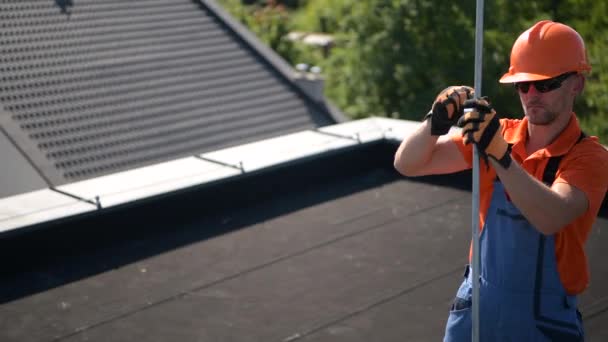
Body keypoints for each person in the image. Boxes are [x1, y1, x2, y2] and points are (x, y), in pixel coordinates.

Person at [393, 20, 608, 341]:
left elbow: (552, 215)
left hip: (543, 322)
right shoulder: (499, 134)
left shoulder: (589, 157)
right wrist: (434, 123)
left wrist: (500, 156)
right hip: (478, 308)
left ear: (576, 84)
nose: (532, 94)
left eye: (546, 84)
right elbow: (407, 163)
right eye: (523, 85)